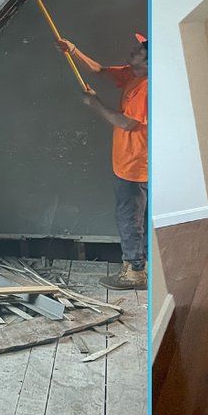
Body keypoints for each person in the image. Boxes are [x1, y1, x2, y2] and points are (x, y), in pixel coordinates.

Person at [56, 33, 148, 290]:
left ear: (148, 62)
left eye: (139, 50)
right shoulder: (133, 74)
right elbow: (99, 70)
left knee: (129, 219)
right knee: (135, 217)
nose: (133, 50)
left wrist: (94, 103)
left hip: (135, 166)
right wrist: (73, 50)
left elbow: (126, 123)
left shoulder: (146, 88)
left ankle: (135, 273)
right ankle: (141, 265)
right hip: (128, 163)